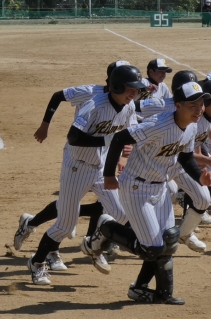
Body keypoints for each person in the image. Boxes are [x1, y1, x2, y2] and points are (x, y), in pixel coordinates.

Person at [90, 81, 211, 304]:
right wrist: (109, 175)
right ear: (178, 105)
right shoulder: (158, 125)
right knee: (152, 248)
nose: (199, 110)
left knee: (169, 242)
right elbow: (119, 138)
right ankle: (107, 228)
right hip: (136, 188)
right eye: (192, 106)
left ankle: (152, 292)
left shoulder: (192, 126)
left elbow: (186, 157)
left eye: (201, 105)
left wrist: (200, 177)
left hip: (160, 187)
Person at [25, 65, 142, 286]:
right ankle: (37, 262)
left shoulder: (128, 107)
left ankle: (94, 242)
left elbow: (131, 131)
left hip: (101, 167)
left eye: (136, 90)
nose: (134, 94)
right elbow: (74, 138)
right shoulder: (94, 105)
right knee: (65, 225)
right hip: (77, 168)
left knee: (121, 214)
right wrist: (110, 140)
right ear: (117, 86)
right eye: (130, 89)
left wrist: (129, 144)